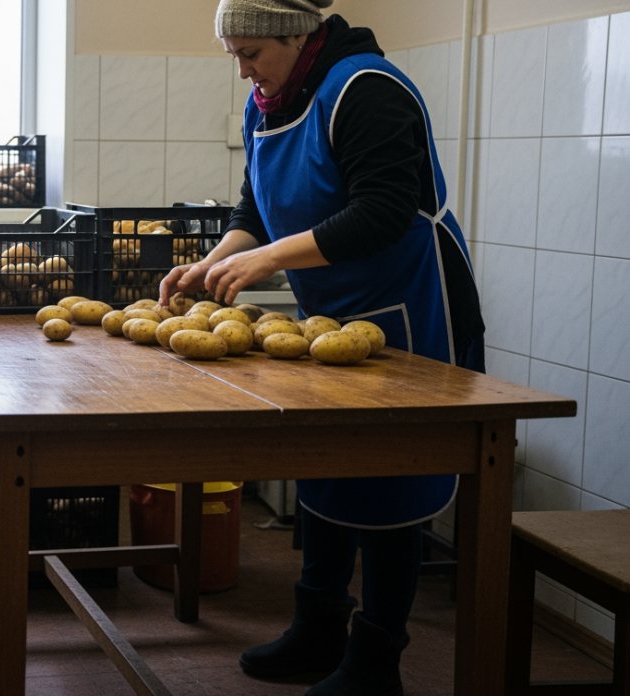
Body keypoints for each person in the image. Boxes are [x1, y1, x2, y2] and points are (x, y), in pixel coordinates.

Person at [159, 1, 485, 694]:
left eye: (252, 54)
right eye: (235, 56)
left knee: (391, 479)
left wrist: (270, 262)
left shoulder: (366, 89)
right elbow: (256, 207)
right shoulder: (267, 101)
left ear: (297, 35)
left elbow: (383, 211)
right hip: (330, 314)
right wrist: (215, 261)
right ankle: (317, 629)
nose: (244, 71)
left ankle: (375, 661)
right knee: (324, 464)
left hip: (410, 306)